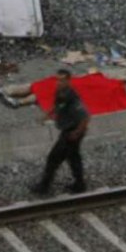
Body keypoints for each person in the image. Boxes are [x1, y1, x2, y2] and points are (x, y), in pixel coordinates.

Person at [36, 66, 89, 194]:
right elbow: (57, 106)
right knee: (73, 157)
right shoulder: (60, 93)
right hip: (68, 130)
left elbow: (85, 117)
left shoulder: (72, 97)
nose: (58, 83)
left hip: (72, 132)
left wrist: (76, 133)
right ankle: (80, 184)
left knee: (53, 158)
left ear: (68, 81)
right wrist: (47, 115)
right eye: (57, 80)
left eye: (62, 80)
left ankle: (44, 187)